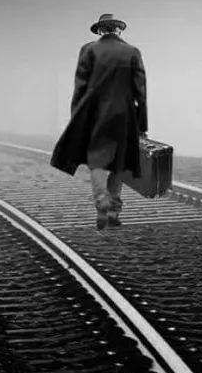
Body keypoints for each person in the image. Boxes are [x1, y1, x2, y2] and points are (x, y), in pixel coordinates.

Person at [50, 13, 148, 232]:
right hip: (124, 116)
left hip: (95, 115)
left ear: (101, 31)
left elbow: (80, 87)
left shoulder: (88, 50)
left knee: (98, 161)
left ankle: (101, 202)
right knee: (119, 163)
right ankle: (113, 213)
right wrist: (142, 125)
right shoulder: (133, 52)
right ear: (118, 30)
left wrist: (77, 118)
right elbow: (140, 92)